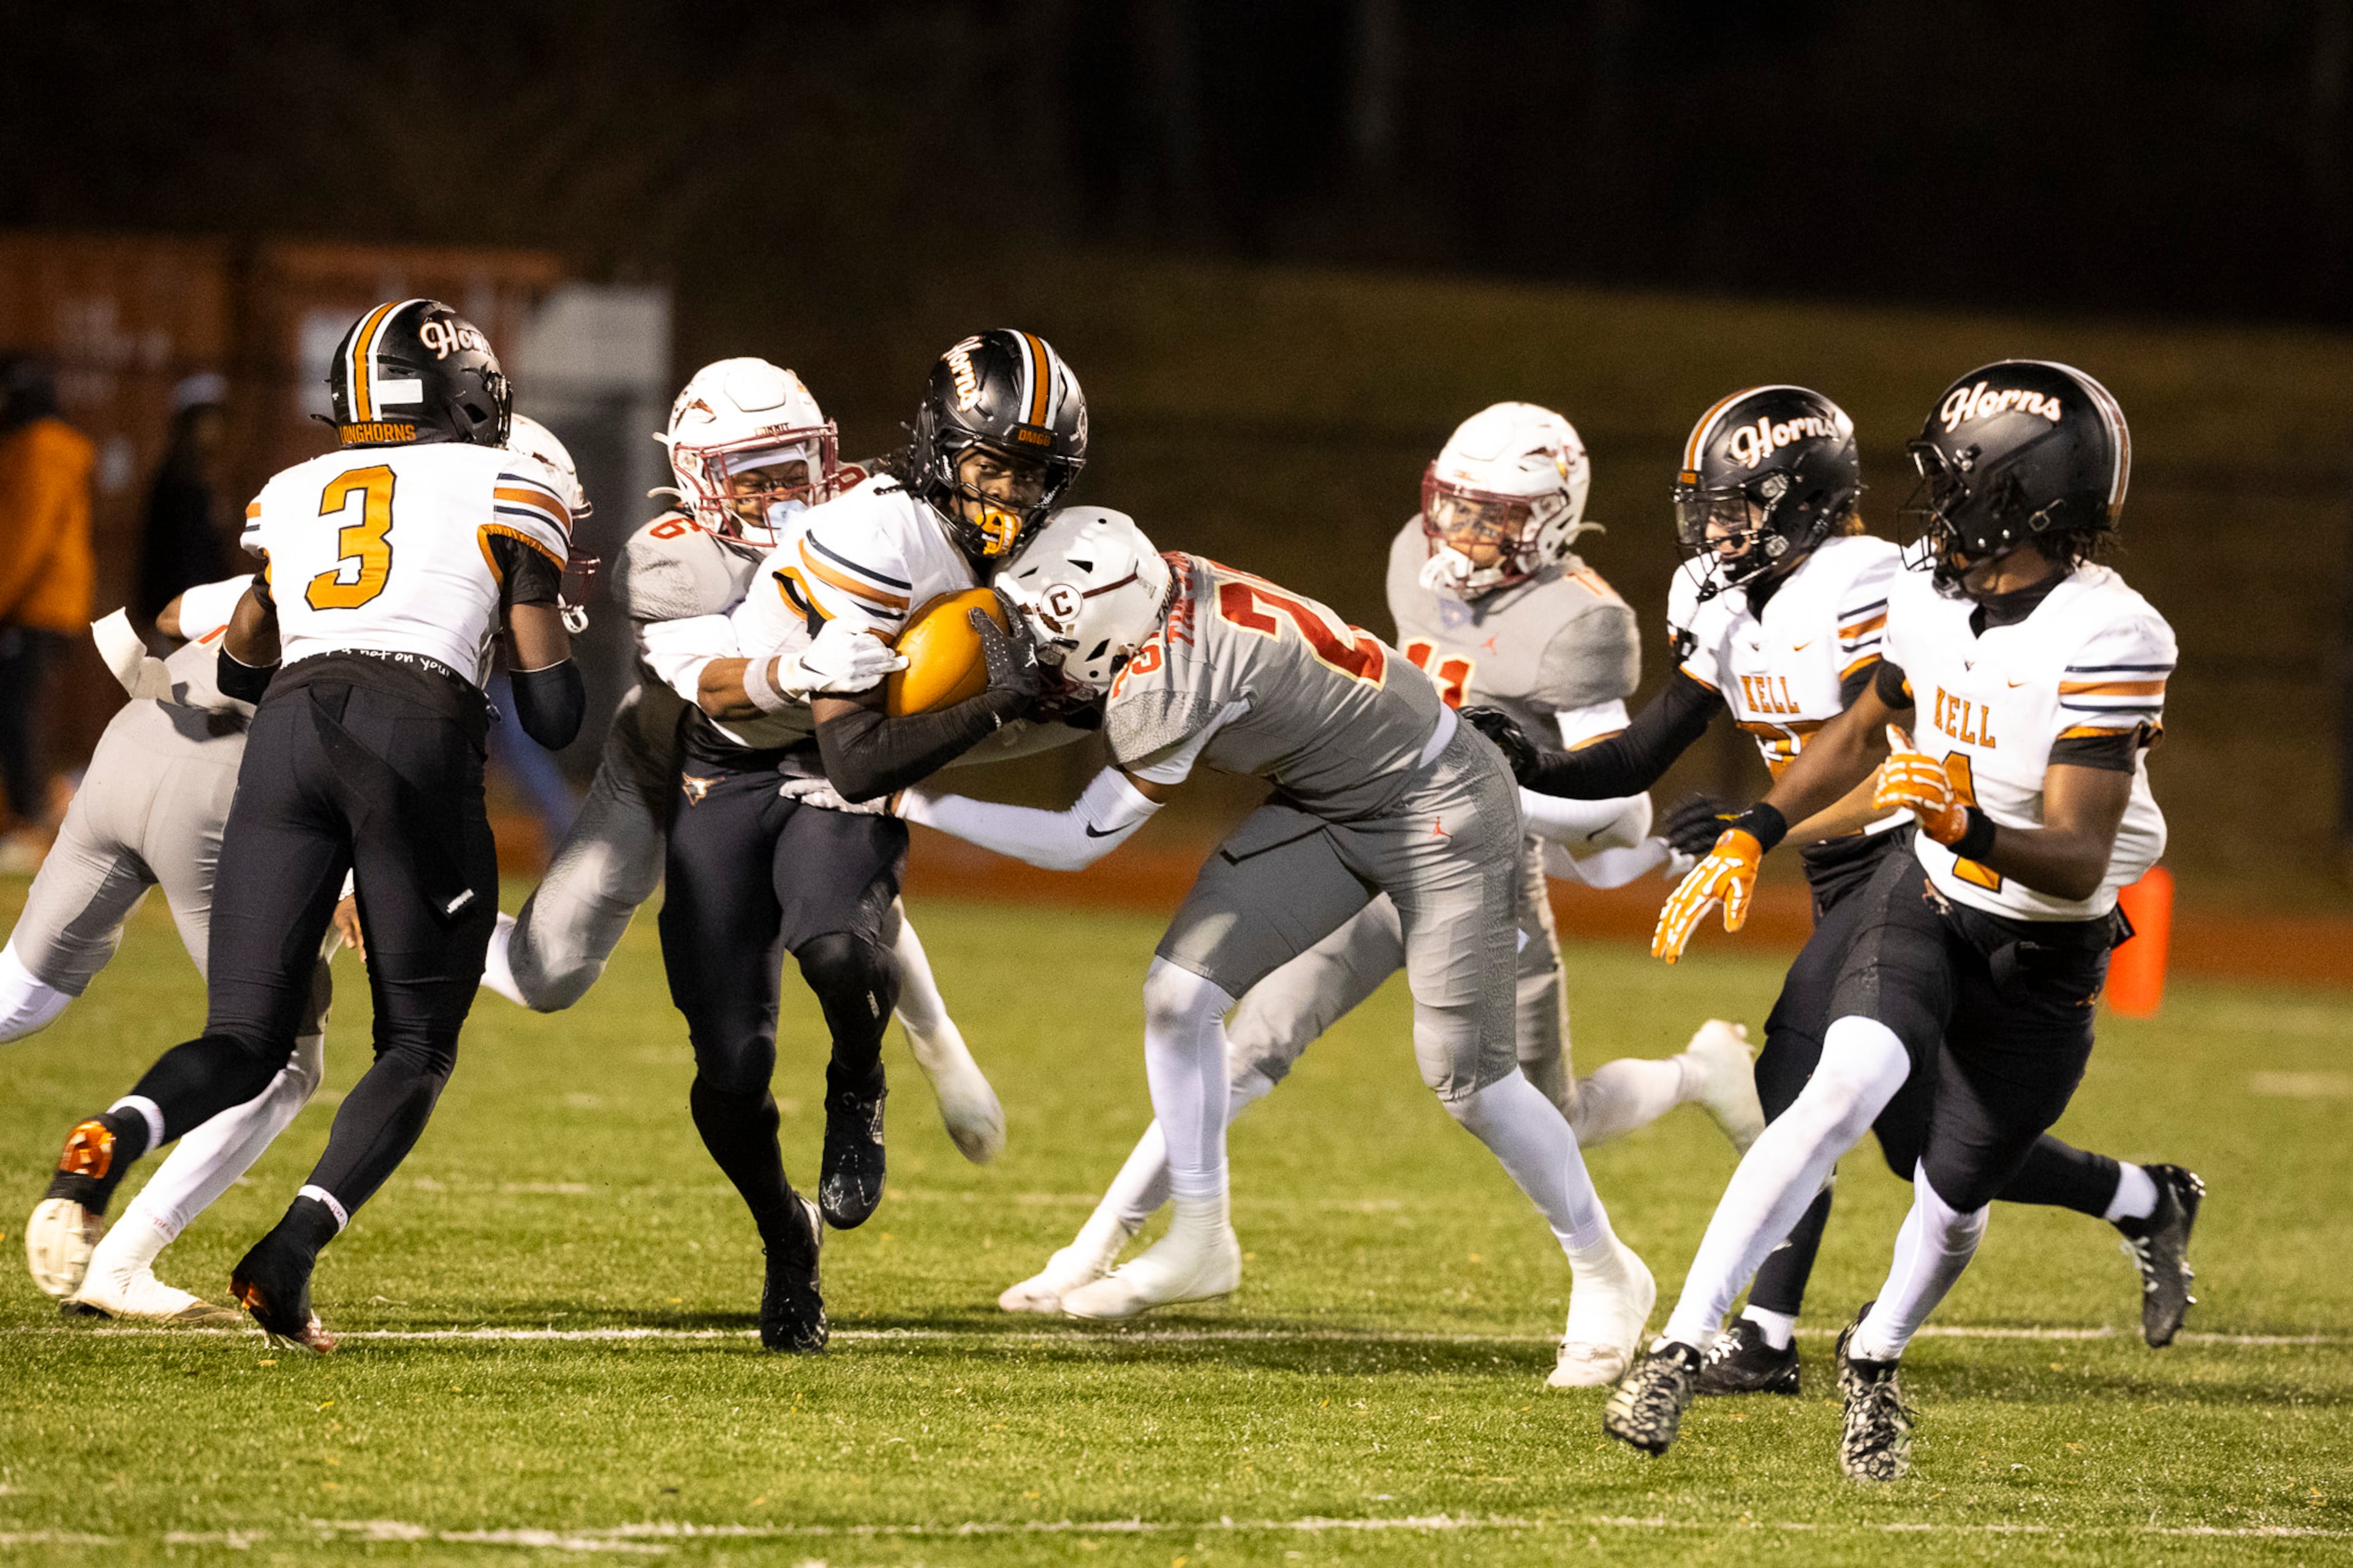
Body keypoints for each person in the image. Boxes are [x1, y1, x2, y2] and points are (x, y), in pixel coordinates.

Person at [995, 403, 1761, 1387]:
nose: (1459, 534)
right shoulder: (1416, 553)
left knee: (1543, 1108)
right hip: (1368, 824)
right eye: (1452, 504)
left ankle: (1700, 1074)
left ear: (1555, 519)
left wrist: (1640, 849)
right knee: (1238, 1040)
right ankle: (1098, 1244)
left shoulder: (1584, 621)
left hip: (1488, 852)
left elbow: (1609, 791)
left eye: (1493, 516)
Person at [1472, 385, 2199, 1398]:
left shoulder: (1869, 584)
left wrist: (1758, 824)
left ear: (1803, 502)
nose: (1716, 531)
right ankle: (2139, 1194)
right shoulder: (1726, 598)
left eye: (1738, 507)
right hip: (1834, 857)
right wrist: (1527, 761)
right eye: (1711, 508)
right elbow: (1642, 751)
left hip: (1909, 851)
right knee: (1918, 1145)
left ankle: (1762, 1335)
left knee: (1800, 1068)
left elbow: (1890, 747)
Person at [896, 507, 1656, 1381]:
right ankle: (1200, 1232)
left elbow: (1079, 838)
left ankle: (1608, 1271)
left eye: (1053, 641)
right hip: (1334, 799)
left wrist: (915, 802)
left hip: (1442, 802)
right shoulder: (1164, 586)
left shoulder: (1167, 680)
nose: (1042, 660)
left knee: (1471, 1078)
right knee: (1180, 993)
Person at [25, 298, 584, 1352]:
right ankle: (283, 1257)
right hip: (412, 731)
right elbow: (554, 717)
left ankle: (108, 1137)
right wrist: (537, 615)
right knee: (417, 1040)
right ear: (468, 391)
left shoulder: (291, 489)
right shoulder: (512, 482)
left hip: (284, 737)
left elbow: (242, 661)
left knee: (244, 1036)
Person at [616, 331, 1088, 1353]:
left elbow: (904, 739)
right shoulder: (878, 534)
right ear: (939, 445)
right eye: (994, 463)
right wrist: (1005, 691)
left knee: (838, 947)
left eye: (1037, 474)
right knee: (731, 1067)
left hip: (834, 766)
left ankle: (857, 1078)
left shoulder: (1008, 536)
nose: (1014, 492)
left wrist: (1097, 690)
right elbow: (869, 753)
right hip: (741, 759)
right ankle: (788, 1235)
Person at [480, 360, 1006, 1167]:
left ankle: (940, 1046)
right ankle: (419, 910)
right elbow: (725, 689)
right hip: (672, 749)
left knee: (844, 898)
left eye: (794, 466)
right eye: (751, 478)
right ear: (698, 480)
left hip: (815, 743)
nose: (782, 494)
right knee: (548, 975)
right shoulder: (671, 561)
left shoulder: (875, 513)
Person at [0, 354, 94, 866]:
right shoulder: (48, 447)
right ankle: (33, 813)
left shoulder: (38, 449)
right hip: (48, 602)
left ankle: (32, 821)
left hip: (32, 603)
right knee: (17, 711)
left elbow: (24, 536)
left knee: (15, 712)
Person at [135, 372, 234, 621]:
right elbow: (181, 559)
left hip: (193, 613)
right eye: (209, 422)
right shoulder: (178, 483)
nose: (217, 430)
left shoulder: (202, 477)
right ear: (190, 425)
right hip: (184, 617)